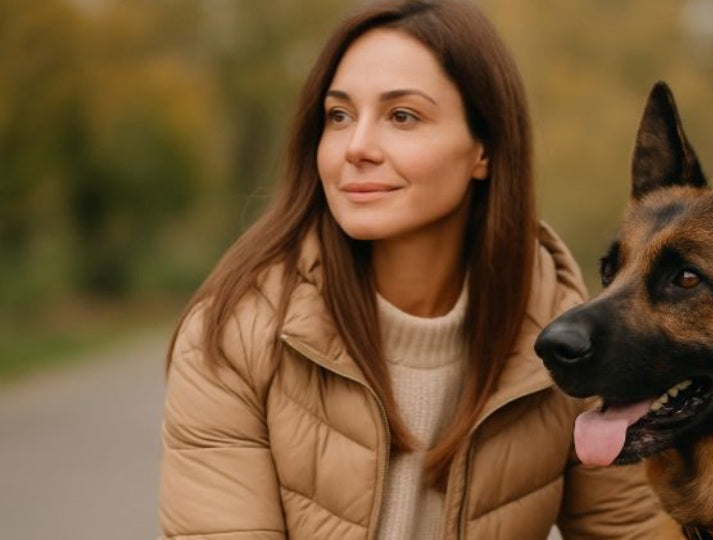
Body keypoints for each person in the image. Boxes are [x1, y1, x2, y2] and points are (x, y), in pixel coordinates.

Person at [159, 0, 675, 538]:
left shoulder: (566, 340)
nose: (356, 147)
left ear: (485, 149)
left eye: (402, 116)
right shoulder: (235, 334)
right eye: (339, 116)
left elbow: (631, 532)